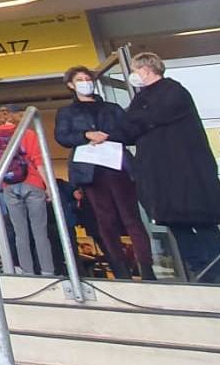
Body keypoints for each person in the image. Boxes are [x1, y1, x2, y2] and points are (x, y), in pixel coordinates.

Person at [112, 52, 220, 283]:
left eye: (135, 70)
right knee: (177, 224)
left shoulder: (173, 91)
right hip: (161, 177)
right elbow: (127, 128)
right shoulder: (142, 98)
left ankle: (218, 270)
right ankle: (199, 270)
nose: (134, 75)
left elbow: (147, 118)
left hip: (186, 173)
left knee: (202, 223)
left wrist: (135, 122)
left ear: (146, 70)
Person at [53, 66, 155, 280]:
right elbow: (62, 137)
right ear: (71, 85)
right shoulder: (67, 112)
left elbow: (130, 132)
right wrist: (85, 135)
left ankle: (146, 267)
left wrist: (107, 135)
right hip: (90, 170)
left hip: (117, 166)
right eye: (80, 80)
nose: (85, 82)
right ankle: (119, 268)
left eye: (87, 78)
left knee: (131, 217)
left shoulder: (112, 108)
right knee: (104, 219)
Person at [0, 108, 55, 276]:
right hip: (32, 183)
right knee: (40, 232)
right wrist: (49, 186)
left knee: (20, 233)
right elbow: (38, 160)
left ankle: (27, 271)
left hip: (8, 186)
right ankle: (47, 271)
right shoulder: (27, 133)